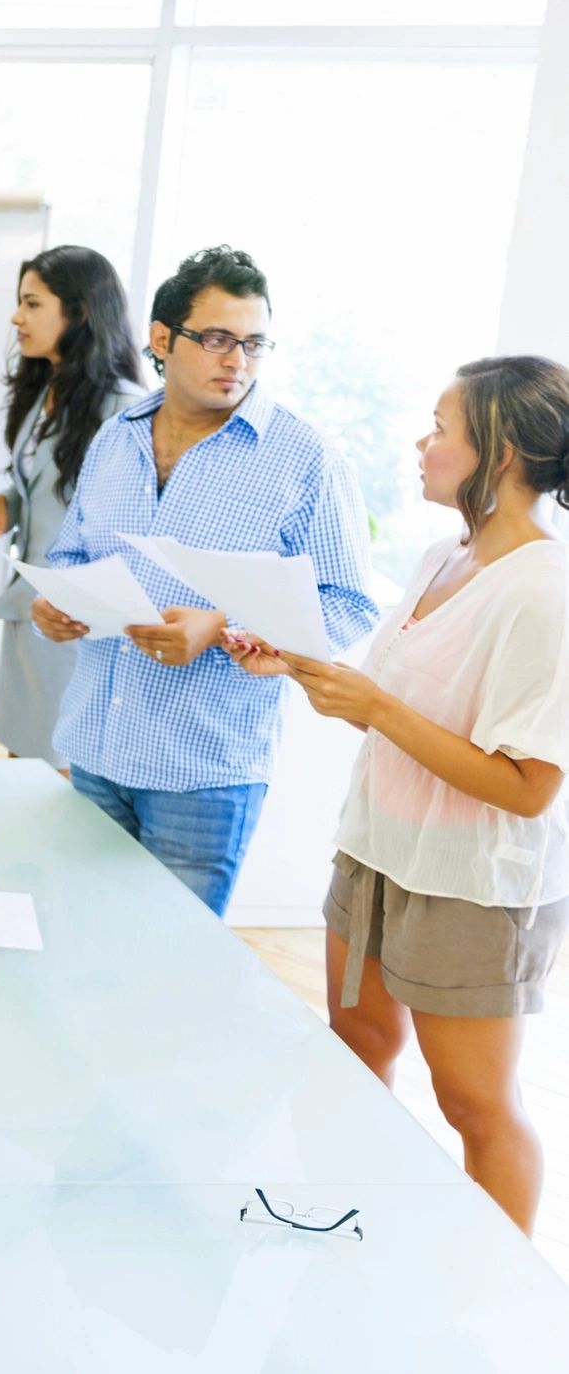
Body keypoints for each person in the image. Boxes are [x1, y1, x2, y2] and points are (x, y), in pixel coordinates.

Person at [225, 357, 569, 1235]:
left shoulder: (544, 593)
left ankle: (502, 1304)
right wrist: (295, 663)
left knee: (475, 1106)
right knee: (357, 1048)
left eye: (441, 427)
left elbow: (527, 789)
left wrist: (376, 705)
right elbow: (382, 707)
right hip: (376, 849)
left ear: (501, 454)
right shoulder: (439, 556)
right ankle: (346, 1226)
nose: (422, 443)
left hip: (471, 887)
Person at [32, 245, 378, 915]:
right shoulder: (115, 436)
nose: (237, 361)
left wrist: (225, 626)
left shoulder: (306, 458)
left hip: (204, 775)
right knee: (84, 941)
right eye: (218, 339)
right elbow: (73, 553)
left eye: (254, 344)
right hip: (96, 748)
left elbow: (348, 603)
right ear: (162, 339)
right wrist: (58, 602)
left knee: (171, 975)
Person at [0, 246, 148, 767]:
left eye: (32, 303)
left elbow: (122, 528)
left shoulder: (125, 412)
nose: (16, 317)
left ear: (80, 311)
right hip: (32, 610)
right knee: (23, 753)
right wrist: (8, 502)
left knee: (63, 766)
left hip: (76, 623)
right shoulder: (46, 389)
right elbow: (42, 479)